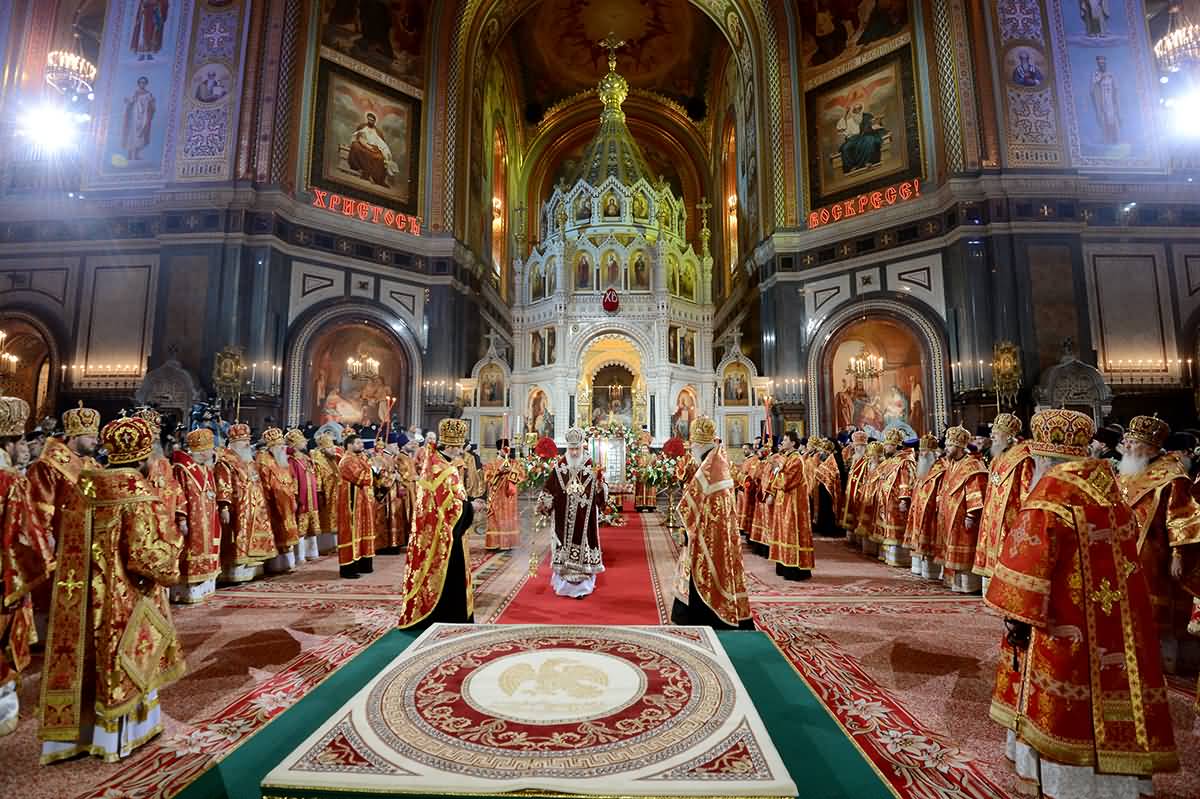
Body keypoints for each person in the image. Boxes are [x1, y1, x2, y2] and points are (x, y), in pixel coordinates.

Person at [985, 409, 1179, 797]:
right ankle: (1118, 780)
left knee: (1059, 692)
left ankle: (1064, 783)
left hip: (1061, 615)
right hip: (1117, 620)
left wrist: (1015, 617)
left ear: (1044, 458)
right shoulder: (1109, 486)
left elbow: (1027, 562)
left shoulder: (1049, 495)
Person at [39, 416, 185, 763]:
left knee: (83, 657)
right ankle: (117, 737)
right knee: (124, 657)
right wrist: (174, 552)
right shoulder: (138, 493)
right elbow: (144, 556)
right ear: (144, 452)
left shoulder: (86, 485)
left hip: (80, 595)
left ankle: (75, 737)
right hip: (125, 594)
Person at [1117, 415, 1200, 670]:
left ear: (1151, 447)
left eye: (1133, 442)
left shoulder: (1172, 475)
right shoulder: (1127, 470)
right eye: (1127, 441)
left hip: (1156, 550)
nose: (1127, 447)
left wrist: (1178, 555)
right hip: (1126, 546)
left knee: (1154, 604)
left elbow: (1181, 516)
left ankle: (1161, 658)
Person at [0, 396, 53, 738]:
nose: (26, 448)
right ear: (9, 442)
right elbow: (25, 540)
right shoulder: (12, 483)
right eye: (21, 441)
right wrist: (47, 561)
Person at [398, 419, 483, 628]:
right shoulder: (441, 468)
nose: (461, 451)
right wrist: (472, 508)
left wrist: (468, 504)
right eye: (460, 447)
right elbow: (448, 506)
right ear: (453, 446)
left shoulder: (437, 463)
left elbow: (449, 499)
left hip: (444, 530)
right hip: (443, 534)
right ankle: (447, 617)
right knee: (448, 574)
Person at [671, 417, 753, 629]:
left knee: (707, 568)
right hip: (708, 528)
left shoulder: (711, 467)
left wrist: (689, 527)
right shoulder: (716, 461)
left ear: (698, 445)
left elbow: (694, 502)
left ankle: (706, 615)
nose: (692, 452)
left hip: (709, 532)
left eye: (693, 447)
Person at [536, 427, 607, 598]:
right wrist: (544, 502)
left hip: (585, 520)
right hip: (563, 519)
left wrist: (600, 486)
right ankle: (564, 587)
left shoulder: (591, 466)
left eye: (577, 448)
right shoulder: (560, 466)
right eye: (571, 448)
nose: (574, 452)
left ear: (582, 446)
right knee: (564, 547)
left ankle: (583, 587)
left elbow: (602, 491)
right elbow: (549, 488)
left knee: (584, 548)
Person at [973, 414, 1034, 594]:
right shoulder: (997, 457)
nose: (992, 435)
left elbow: (1026, 489)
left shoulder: (1023, 457)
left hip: (1010, 517)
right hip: (993, 513)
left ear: (1009, 435)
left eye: (996, 432)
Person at [214, 424, 276, 582]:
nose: (247, 444)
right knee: (238, 537)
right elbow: (223, 484)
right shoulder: (225, 461)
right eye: (243, 441)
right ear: (233, 443)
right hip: (238, 506)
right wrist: (224, 506)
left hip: (255, 506)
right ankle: (235, 573)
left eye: (248, 440)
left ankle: (253, 569)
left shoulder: (248, 459)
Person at [168, 428, 221, 604]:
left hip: (208, 515)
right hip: (192, 517)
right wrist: (181, 519)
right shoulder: (182, 468)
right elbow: (178, 493)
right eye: (209, 449)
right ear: (201, 451)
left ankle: (202, 588)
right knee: (191, 549)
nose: (212, 452)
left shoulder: (206, 468)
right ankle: (186, 592)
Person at [936, 426, 988, 594]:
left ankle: (967, 585)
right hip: (949, 514)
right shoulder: (951, 464)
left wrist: (971, 515)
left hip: (963, 516)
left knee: (963, 549)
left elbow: (975, 491)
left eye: (950, 446)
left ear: (959, 447)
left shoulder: (972, 465)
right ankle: (952, 581)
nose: (946, 449)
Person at [767, 430, 815, 581]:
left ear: (793, 443)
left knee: (791, 532)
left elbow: (787, 481)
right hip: (784, 501)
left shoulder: (796, 459)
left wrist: (777, 469)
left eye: (785, 440)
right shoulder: (785, 457)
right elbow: (775, 476)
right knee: (783, 532)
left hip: (793, 503)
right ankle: (783, 564)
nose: (782, 442)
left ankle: (794, 568)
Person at [255, 428, 301, 573]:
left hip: (287, 503)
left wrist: (293, 495)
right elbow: (264, 483)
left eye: (283, 445)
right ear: (272, 446)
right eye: (280, 445)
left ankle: (286, 564)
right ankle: (275, 565)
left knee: (287, 533)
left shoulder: (282, 460)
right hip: (272, 505)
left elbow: (291, 478)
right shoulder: (264, 460)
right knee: (277, 533)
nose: (283, 448)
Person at [869, 428, 915, 566]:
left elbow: (906, 481)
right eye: (886, 444)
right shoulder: (891, 460)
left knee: (896, 529)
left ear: (897, 445)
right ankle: (888, 556)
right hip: (886, 501)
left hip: (896, 501)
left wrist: (904, 499)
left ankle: (900, 558)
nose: (885, 447)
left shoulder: (904, 461)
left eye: (889, 445)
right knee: (887, 529)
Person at [903, 434, 945, 580]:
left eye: (925, 451)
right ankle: (919, 568)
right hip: (919, 510)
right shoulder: (922, 468)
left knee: (930, 540)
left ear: (933, 453)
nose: (921, 454)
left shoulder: (941, 469)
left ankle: (933, 571)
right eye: (920, 451)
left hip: (932, 511)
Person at [336, 430, 375, 579]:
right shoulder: (346, 461)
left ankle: (364, 564)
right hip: (350, 503)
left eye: (361, 442)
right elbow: (360, 478)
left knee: (363, 530)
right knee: (351, 532)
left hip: (362, 501)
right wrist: (371, 469)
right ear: (349, 445)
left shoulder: (359, 458)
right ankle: (349, 568)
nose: (362, 445)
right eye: (358, 443)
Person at [286, 428, 322, 561]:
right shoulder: (291, 461)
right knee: (301, 528)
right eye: (302, 442)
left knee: (312, 528)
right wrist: (295, 497)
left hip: (311, 497)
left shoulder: (306, 458)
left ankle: (311, 553)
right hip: (301, 498)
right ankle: (299, 555)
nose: (305, 443)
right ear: (295, 445)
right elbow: (293, 479)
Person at [483, 440, 524, 550]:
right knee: (495, 517)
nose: (506, 451)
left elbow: (521, 475)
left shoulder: (514, 463)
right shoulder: (491, 463)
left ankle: (509, 542)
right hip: (497, 496)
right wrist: (499, 471)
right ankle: (495, 543)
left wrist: (511, 470)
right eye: (504, 448)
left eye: (508, 448)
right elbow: (487, 478)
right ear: (499, 450)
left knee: (509, 517)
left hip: (509, 496)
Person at [310, 425, 343, 551]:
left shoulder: (333, 458)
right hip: (325, 494)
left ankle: (334, 543)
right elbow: (317, 478)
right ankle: (325, 545)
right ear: (323, 448)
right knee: (326, 518)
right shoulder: (317, 461)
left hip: (335, 492)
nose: (333, 449)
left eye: (332, 446)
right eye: (329, 447)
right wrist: (319, 493)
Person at [347, 112, 399, 187]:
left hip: (374, 148)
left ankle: (377, 178)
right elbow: (357, 136)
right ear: (367, 119)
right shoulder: (362, 126)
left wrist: (386, 152)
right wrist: (365, 144)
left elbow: (382, 143)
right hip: (362, 145)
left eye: (372, 120)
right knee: (356, 146)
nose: (370, 121)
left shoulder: (378, 132)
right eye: (369, 119)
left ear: (374, 121)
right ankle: (366, 172)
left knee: (380, 158)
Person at [810, 438, 843, 535]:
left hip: (829, 488)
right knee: (823, 507)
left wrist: (821, 471)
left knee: (829, 509)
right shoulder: (826, 457)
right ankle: (822, 527)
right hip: (823, 486)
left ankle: (829, 529)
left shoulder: (836, 457)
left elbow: (835, 472)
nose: (823, 452)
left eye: (825, 450)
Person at [748, 442, 775, 557]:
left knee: (767, 523)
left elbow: (761, 476)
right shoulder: (764, 463)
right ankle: (761, 545)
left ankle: (767, 547)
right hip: (761, 495)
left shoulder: (769, 464)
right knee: (762, 521)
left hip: (766, 496)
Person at [122, 77, 155, 161]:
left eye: (144, 82)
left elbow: (152, 105)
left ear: (146, 84)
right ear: (138, 83)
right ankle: (129, 155)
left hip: (143, 117)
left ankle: (136, 154)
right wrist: (127, 101)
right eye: (140, 82)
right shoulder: (135, 93)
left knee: (140, 135)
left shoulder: (148, 94)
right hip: (135, 116)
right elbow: (131, 101)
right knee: (132, 135)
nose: (142, 84)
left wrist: (152, 105)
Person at [633, 429, 657, 512]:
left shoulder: (652, 456)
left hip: (649, 475)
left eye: (645, 448)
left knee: (649, 488)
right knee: (640, 489)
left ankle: (650, 505)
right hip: (641, 475)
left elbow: (654, 465)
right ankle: (640, 505)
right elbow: (636, 465)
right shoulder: (637, 456)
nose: (644, 450)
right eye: (643, 448)